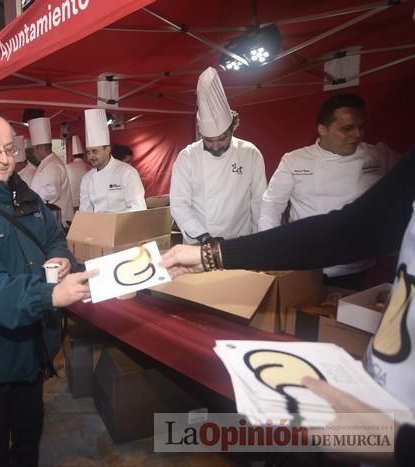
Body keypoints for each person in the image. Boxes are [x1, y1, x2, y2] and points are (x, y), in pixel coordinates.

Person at [160, 150, 415, 466]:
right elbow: (348, 231)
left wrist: (400, 445)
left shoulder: (251, 154)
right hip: (379, 400)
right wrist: (211, 254)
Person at [0, 111, 96, 466]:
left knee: (29, 430)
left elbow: (55, 238)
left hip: (33, 345)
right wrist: (50, 295)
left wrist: (62, 259)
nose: (4, 159)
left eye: (10, 149)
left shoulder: (26, 197)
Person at [258, 93, 399, 289]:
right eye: (347, 128)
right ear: (322, 129)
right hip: (304, 264)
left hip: (356, 266)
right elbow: (272, 205)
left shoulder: (379, 155)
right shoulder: (295, 160)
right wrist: (270, 250)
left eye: (361, 126)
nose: (357, 134)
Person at [170, 67, 267, 244]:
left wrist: (260, 239)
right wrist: (204, 237)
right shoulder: (187, 157)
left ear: (233, 128)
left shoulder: (249, 153)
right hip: (199, 243)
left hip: (240, 241)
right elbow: (179, 205)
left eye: (222, 138)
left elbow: (259, 202)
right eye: (209, 140)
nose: (215, 145)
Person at [79, 109, 146, 213]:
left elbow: (138, 209)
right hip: (97, 228)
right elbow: (85, 212)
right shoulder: (87, 179)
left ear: (108, 150)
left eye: (94, 151)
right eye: (88, 152)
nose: (90, 156)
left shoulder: (127, 172)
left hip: (122, 228)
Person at [27, 116, 74, 226]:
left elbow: (51, 192)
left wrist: (29, 200)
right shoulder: (47, 162)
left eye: (34, 149)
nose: (34, 153)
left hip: (58, 220)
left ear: (41, 148)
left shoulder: (53, 165)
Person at [65, 135, 89, 211]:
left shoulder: (67, 167)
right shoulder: (90, 167)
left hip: (72, 202)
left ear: (73, 156)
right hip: (87, 203)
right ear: (84, 155)